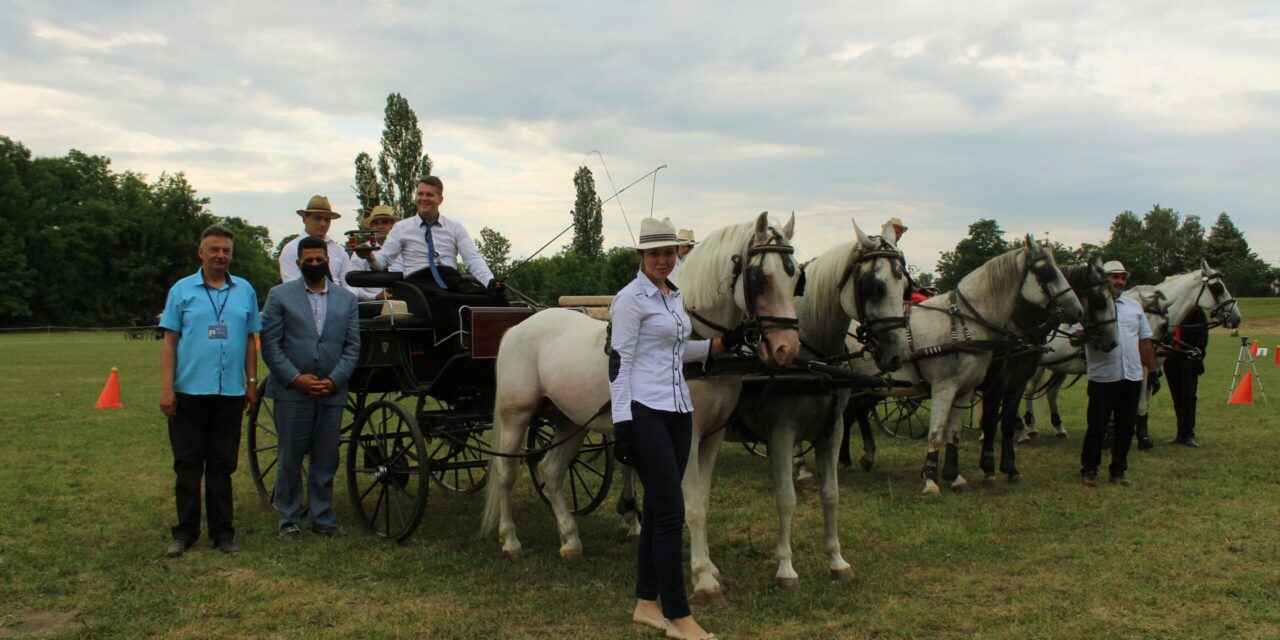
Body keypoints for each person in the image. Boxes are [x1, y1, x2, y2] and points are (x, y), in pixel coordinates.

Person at [610, 217, 728, 640]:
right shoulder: (630, 300)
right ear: (641, 256)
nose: (663, 260)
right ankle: (679, 617)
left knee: (659, 509)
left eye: (669, 252)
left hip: (679, 409)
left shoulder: (673, 297)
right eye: (655, 253)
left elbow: (677, 349)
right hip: (645, 412)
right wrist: (623, 422)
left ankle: (646, 603)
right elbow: (619, 362)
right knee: (672, 513)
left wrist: (716, 346)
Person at [158, 224, 262, 557]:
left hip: (230, 392)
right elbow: (170, 342)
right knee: (188, 465)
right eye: (214, 250)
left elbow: (249, 341)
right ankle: (185, 533)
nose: (220, 256)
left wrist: (250, 383)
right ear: (201, 252)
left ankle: (222, 533)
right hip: (189, 391)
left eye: (226, 251)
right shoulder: (182, 290)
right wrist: (167, 390)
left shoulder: (244, 290)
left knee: (221, 466)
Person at [260, 236, 361, 540]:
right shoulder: (279, 296)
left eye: (320, 260)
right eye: (309, 261)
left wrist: (335, 379)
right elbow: (271, 345)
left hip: (332, 390)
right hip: (293, 391)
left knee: (326, 457)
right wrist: (295, 378)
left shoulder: (347, 299)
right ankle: (289, 519)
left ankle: (323, 518)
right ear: (299, 262)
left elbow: (353, 347)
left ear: (328, 261)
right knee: (290, 457)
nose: (315, 264)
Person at [358, 176, 505, 324]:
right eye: (420, 194)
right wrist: (370, 256)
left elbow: (473, 259)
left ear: (440, 200)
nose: (423, 198)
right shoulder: (401, 228)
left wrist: (490, 282)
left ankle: (489, 345)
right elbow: (382, 262)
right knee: (443, 302)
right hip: (419, 283)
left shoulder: (454, 227)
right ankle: (453, 345)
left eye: (429, 194)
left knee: (494, 299)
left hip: (450, 281)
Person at [1077, 260, 1156, 487]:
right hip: (1104, 376)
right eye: (1114, 277)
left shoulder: (1134, 307)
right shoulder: (1090, 306)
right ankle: (1090, 469)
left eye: (1122, 278)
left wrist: (1153, 371)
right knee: (1097, 427)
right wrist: (1086, 334)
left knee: (1126, 427)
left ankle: (1118, 470)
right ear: (1105, 279)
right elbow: (1074, 337)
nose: (1119, 281)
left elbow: (1144, 341)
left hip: (1131, 376)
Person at [278, 195, 352, 286]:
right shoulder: (291, 250)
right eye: (318, 218)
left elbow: (350, 284)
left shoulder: (339, 250)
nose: (323, 224)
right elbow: (292, 288)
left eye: (327, 220)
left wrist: (346, 299)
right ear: (305, 219)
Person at [1162, 306, 1208, 447]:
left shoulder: (1195, 310)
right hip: (1170, 358)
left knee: (1188, 396)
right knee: (1177, 397)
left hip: (1187, 358)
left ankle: (1188, 434)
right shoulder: (1169, 309)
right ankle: (1180, 433)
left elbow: (1202, 333)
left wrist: (1198, 354)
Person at [346, 204, 403, 301]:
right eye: (376, 223)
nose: (380, 226)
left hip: (403, 302)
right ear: (370, 227)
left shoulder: (402, 250)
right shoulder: (361, 252)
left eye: (385, 222)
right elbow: (354, 287)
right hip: (373, 306)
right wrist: (375, 297)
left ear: (392, 226)